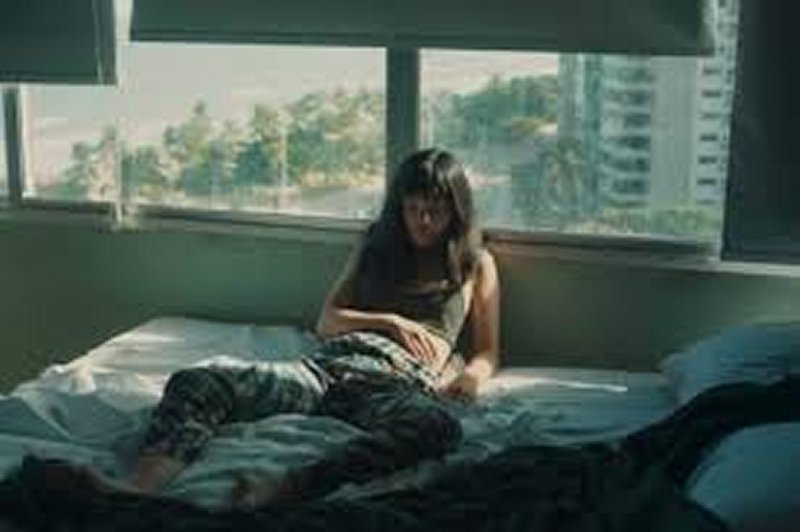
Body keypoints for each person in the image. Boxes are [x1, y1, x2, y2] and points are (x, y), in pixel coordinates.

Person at [50, 148, 501, 506]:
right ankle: (140, 487)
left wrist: (468, 378)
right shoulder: (374, 245)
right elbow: (327, 321)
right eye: (413, 209)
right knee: (198, 382)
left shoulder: (476, 264)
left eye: (435, 211)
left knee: (435, 427)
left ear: (456, 212)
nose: (423, 222)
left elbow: (487, 352)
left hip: (395, 380)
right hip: (325, 369)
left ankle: (292, 485)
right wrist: (391, 321)